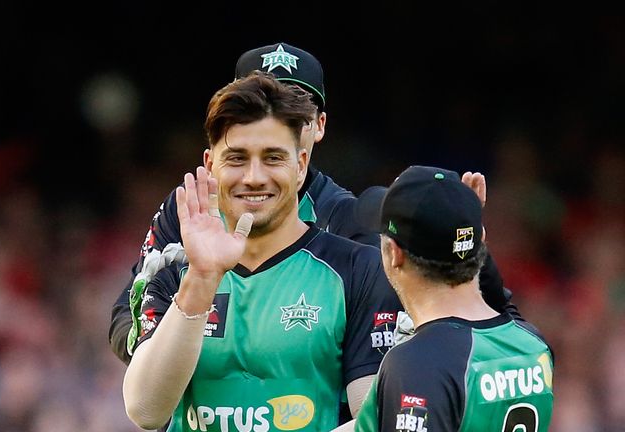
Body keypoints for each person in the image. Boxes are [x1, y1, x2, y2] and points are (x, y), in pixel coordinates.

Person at [108, 42, 508, 365]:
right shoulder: (189, 210)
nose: (276, 115)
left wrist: (466, 253)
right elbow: (125, 317)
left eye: (295, 106)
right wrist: (166, 351)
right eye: (261, 100)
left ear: (318, 126)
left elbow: (420, 329)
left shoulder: (350, 219)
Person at [122, 71, 404, 432]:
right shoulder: (177, 266)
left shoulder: (358, 269)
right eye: (237, 158)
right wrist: (202, 277)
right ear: (210, 165)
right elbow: (146, 410)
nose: (254, 176)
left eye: (272, 158)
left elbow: (374, 418)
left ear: (300, 166)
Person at [352, 165, 555, 432]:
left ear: (394, 253)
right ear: (480, 241)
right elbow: (498, 300)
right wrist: (465, 228)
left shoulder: (418, 364)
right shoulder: (532, 344)